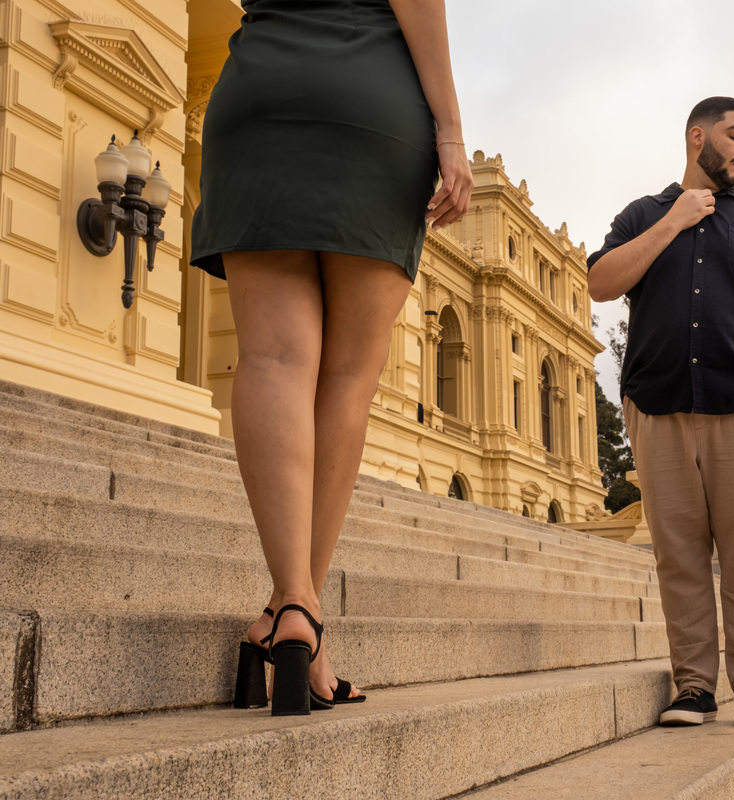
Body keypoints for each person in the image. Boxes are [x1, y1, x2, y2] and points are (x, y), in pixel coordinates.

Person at [189, 0, 472, 716]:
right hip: (369, 102)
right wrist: (451, 132)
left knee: (273, 359)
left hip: (259, 91)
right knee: (347, 376)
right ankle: (299, 618)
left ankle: (292, 609)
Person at [587, 97, 734, 726]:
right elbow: (600, 282)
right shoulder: (643, 213)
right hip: (658, 407)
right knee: (679, 555)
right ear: (698, 137)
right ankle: (693, 686)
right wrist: (674, 221)